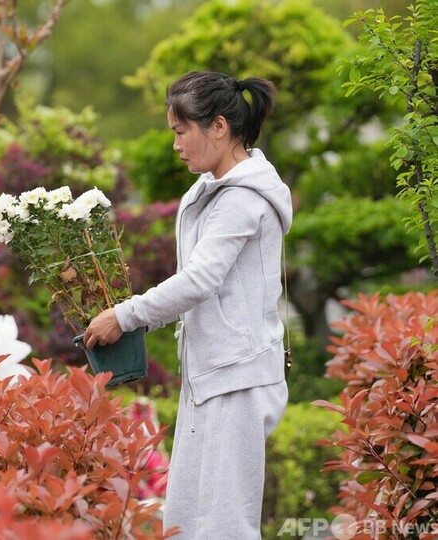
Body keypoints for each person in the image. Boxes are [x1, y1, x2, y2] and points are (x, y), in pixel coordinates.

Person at [82, 70, 292, 539]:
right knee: (188, 520)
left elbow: (199, 280)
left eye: (182, 132)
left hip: (237, 377)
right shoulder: (207, 191)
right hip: (211, 372)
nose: (176, 145)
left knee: (224, 525)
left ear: (218, 127)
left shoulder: (240, 199)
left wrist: (126, 314)